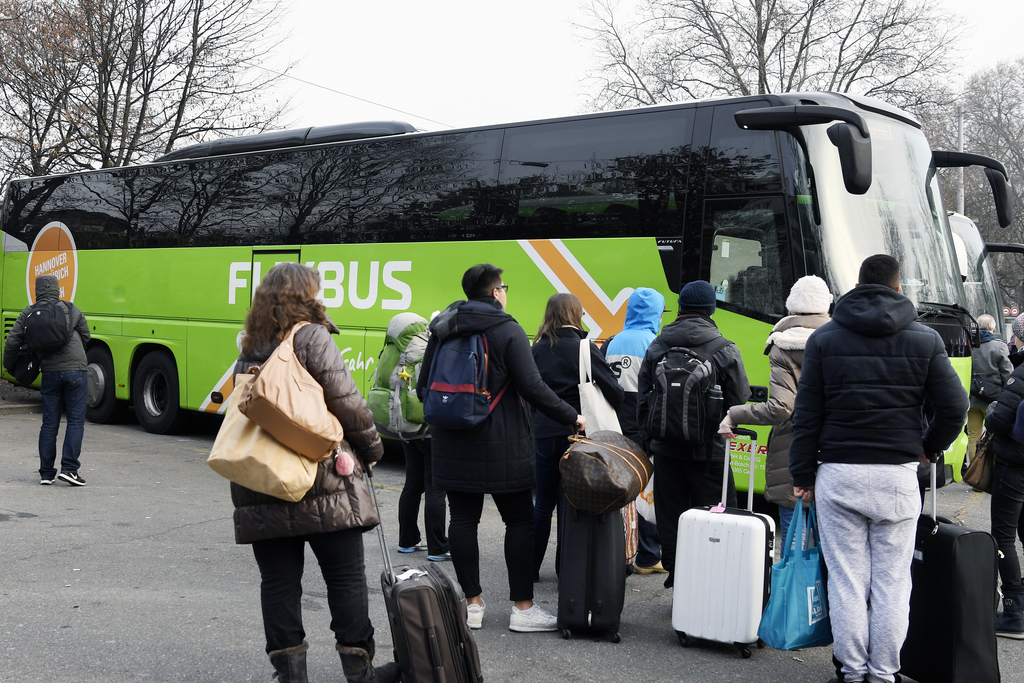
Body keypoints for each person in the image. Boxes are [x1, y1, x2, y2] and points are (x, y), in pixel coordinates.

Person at [789, 255, 969, 683]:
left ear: (857, 285)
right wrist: (927, 449)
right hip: (897, 476)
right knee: (892, 583)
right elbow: (956, 407)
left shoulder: (825, 340)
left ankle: (851, 673)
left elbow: (806, 414)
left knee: (848, 581)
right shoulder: (925, 340)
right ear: (898, 287)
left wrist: (801, 475)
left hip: (838, 474)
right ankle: (884, 674)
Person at [229, 263, 399, 683]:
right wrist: (373, 448)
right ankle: (360, 673)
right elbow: (347, 402)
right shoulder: (311, 337)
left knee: (279, 583)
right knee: (345, 579)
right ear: (304, 295)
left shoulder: (251, 345)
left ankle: (291, 676)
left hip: (262, 479)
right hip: (322, 478)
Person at [417, 264, 586, 633]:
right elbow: (533, 387)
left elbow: (422, 386)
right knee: (519, 520)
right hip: (502, 442)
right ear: (496, 293)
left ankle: (472, 605)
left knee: (463, 520)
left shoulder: (442, 328)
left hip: (450, 440)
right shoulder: (507, 329)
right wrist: (572, 416)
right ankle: (522, 609)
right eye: (503, 287)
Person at [636, 279, 751, 589]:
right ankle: (712, 588)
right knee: (718, 518)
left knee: (672, 520)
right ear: (710, 310)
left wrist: (650, 442)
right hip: (709, 452)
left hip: (666, 451)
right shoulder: (724, 348)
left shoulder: (658, 345)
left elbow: (644, 396)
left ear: (682, 308)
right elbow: (738, 402)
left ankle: (679, 576)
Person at [718, 276, 832, 544]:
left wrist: (735, 414)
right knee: (831, 550)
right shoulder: (841, 340)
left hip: (793, 451)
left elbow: (782, 408)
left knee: (795, 546)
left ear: (791, 307)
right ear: (825, 306)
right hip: (834, 452)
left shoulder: (783, 343)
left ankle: (796, 588)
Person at [531, 292, 623, 580]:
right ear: (576, 314)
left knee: (543, 503)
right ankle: (565, 571)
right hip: (578, 435)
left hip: (543, 433)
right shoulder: (584, 346)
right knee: (572, 503)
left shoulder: (536, 348)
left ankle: (530, 568)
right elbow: (613, 391)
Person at [3, 274, 91, 486]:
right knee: (76, 420)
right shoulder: (70, 308)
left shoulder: (29, 312)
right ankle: (70, 469)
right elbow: (86, 335)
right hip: (76, 370)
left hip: (50, 372)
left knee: (49, 422)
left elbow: (12, 340)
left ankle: (46, 473)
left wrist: (8, 365)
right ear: (57, 290)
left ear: (37, 291)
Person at [604, 287, 667, 574]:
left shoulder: (612, 341)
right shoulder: (655, 343)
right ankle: (648, 555)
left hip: (613, 426)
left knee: (619, 491)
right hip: (642, 429)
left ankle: (619, 549)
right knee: (646, 492)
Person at [984, 330, 1024, 640]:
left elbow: (998, 420)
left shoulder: (1020, 375)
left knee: (1003, 535)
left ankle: (1014, 611)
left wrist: (994, 413)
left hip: (1015, 466)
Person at [968, 314, 1012, 464]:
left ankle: (974, 476)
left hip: (972, 399)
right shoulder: (999, 346)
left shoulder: (968, 344)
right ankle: (989, 475)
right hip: (994, 399)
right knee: (993, 436)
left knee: (973, 436)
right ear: (993, 329)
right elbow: (1008, 374)